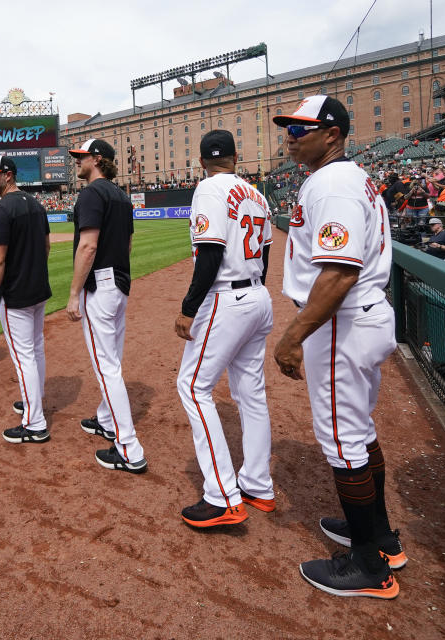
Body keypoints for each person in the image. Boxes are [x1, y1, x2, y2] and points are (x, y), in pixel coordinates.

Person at [273, 95, 403, 599]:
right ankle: (381, 537)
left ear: (333, 134)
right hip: (360, 318)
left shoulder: (331, 183)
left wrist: (292, 335)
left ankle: (370, 567)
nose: (291, 136)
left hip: (340, 322)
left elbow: (339, 272)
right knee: (359, 431)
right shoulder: (349, 178)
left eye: (302, 128)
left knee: (343, 439)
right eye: (289, 129)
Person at [174, 130, 275, 527]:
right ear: (236, 157)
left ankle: (221, 495)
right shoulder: (257, 194)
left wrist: (188, 308)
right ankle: (258, 485)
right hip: (256, 295)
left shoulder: (207, 190)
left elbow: (211, 253)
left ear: (201, 162)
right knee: (251, 394)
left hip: (226, 297)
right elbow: (265, 254)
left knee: (193, 387)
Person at [66, 138, 147, 474]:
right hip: (119, 283)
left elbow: (88, 246)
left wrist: (73, 294)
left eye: (81, 157)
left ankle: (128, 447)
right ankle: (106, 420)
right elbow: (127, 244)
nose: (77, 162)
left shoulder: (91, 193)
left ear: (97, 160)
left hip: (100, 286)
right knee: (111, 357)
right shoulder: (121, 196)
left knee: (105, 365)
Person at [0, 155, 52, 442]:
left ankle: (35, 423)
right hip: (38, 289)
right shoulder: (36, 204)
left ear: (8, 175)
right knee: (35, 349)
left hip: (17, 293)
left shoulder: (1, 209)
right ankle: (35, 400)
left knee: (24, 357)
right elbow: (45, 247)